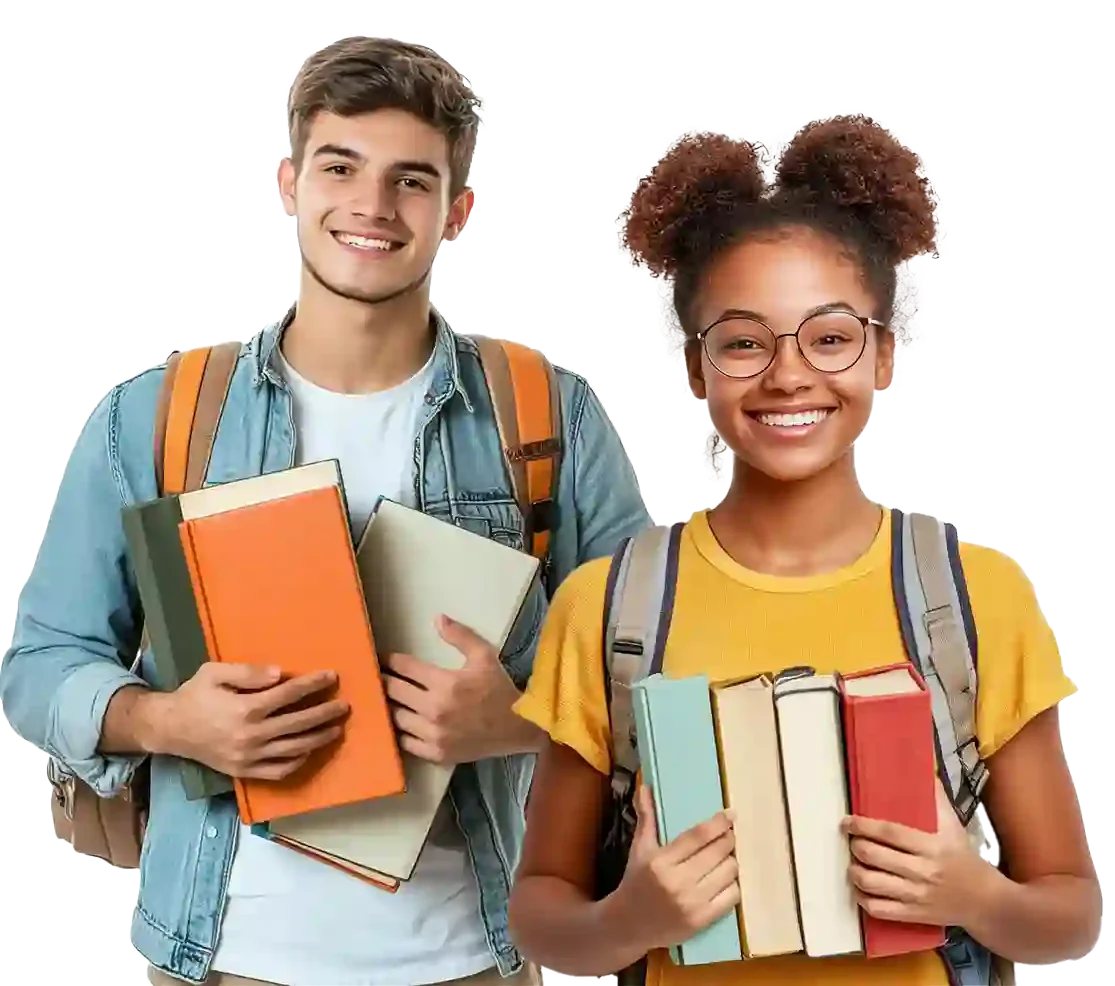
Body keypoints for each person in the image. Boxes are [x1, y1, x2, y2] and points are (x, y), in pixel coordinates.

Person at [0, 34, 651, 986]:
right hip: (217, 957)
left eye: (412, 181)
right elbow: (39, 668)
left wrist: (519, 718)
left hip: (470, 959)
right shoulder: (159, 415)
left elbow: (652, 673)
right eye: (341, 167)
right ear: (289, 182)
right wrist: (169, 722)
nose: (372, 208)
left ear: (458, 211)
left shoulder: (544, 411)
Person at [507, 116, 1101, 985]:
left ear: (883, 355)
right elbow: (541, 916)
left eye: (829, 337)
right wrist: (631, 917)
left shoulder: (974, 596)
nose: (788, 375)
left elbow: (1070, 917)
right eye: (744, 341)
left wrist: (974, 895)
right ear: (695, 367)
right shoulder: (609, 604)